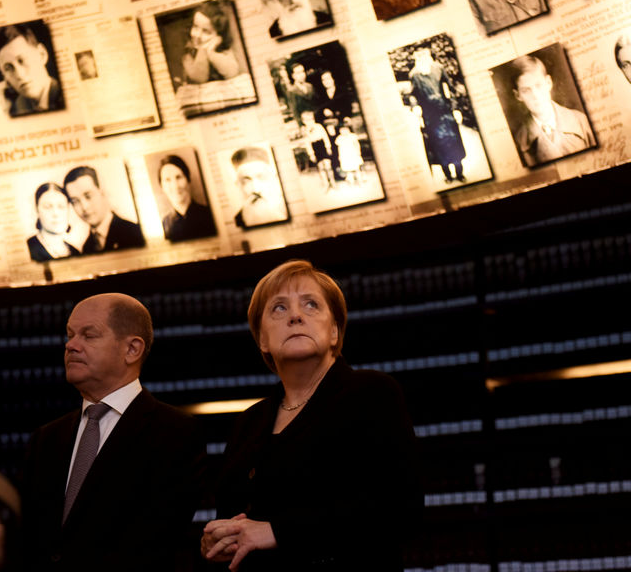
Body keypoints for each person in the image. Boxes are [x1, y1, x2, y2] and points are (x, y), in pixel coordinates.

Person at [200, 260, 422, 570]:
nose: (294, 316)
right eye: (278, 308)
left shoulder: (372, 392)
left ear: (334, 331)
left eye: (311, 304)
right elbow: (234, 516)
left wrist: (276, 531)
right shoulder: (247, 421)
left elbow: (402, 511)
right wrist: (218, 540)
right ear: (262, 340)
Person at [21, 293, 206, 571]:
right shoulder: (45, 439)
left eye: (89, 335)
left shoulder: (176, 432)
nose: (71, 345)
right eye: (70, 335)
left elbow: (158, 540)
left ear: (132, 349)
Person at [511, 55, 595, 167]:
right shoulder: (519, 141)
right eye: (526, 90)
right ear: (518, 95)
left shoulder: (581, 121)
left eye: (538, 86)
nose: (535, 95)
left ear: (548, 83)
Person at [409, 47, 467, 183]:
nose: (422, 58)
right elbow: (412, 95)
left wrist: (455, 109)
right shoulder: (414, 75)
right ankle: (447, 176)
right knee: (439, 148)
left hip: (446, 113)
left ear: (429, 55)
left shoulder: (439, 68)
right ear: (416, 58)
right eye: (419, 56)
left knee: (454, 145)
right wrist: (415, 106)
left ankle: (459, 174)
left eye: (424, 55)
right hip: (430, 118)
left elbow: (449, 89)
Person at [63, 165, 145, 254]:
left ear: (102, 192)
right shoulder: (87, 247)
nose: (84, 207)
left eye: (88, 196)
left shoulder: (134, 232)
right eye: (75, 201)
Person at [0, 22, 64, 117]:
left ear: (42, 54)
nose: (19, 75)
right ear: (4, 75)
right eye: (8, 68)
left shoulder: (63, 97)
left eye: (22, 60)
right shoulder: (12, 111)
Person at [157, 154, 217, 242]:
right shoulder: (164, 225)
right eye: (167, 180)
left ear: (188, 179)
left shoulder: (211, 215)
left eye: (179, 177)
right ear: (162, 186)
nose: (175, 186)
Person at [182, 0, 240, 84]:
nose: (197, 35)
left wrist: (211, 52)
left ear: (219, 36)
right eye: (195, 27)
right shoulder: (188, 50)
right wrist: (203, 50)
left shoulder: (222, 51)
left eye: (206, 31)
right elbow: (198, 78)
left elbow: (233, 73)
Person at [231, 146, 287, 228]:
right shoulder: (238, 221)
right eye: (245, 181)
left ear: (275, 178)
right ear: (238, 185)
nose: (256, 189)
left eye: (262, 177)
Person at [26, 182, 81, 262]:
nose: (56, 213)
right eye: (48, 207)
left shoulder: (75, 252)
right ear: (37, 210)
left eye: (61, 207)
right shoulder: (28, 249)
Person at [300, 110, 335, 190]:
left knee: (328, 165)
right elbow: (307, 143)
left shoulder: (318, 126)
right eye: (307, 120)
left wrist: (328, 147)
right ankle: (326, 183)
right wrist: (311, 154)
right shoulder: (305, 130)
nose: (310, 122)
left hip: (322, 145)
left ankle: (332, 182)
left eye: (311, 119)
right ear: (303, 121)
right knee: (320, 167)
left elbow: (325, 136)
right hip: (314, 147)